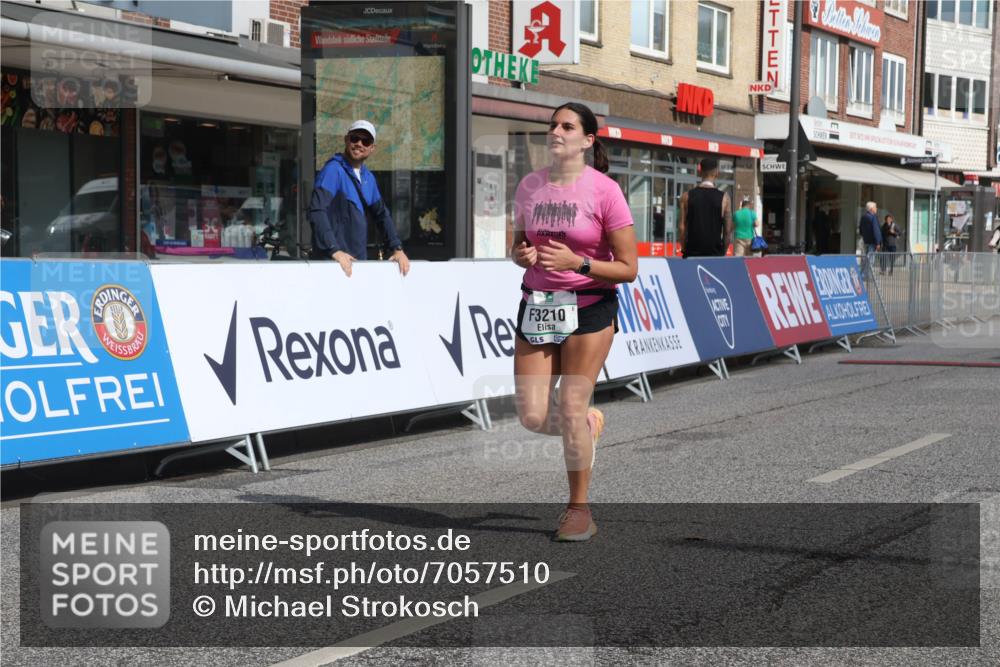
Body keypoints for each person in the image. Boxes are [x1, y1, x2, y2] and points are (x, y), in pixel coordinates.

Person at [511, 102, 638, 542]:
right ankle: (585, 424)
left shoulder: (605, 192)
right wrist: (522, 255)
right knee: (531, 415)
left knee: (569, 405)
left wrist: (578, 263)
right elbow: (517, 248)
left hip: (590, 305)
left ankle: (578, 509)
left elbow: (628, 268)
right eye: (552, 125)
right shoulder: (529, 186)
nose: (556, 131)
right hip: (539, 302)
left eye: (567, 126)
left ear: (587, 140)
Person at [309, 120, 410, 277]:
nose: (359, 144)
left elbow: (382, 214)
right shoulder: (333, 170)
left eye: (366, 141)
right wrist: (334, 250)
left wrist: (397, 248)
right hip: (333, 265)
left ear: (372, 148)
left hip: (357, 264)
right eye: (355, 138)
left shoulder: (368, 177)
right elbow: (317, 211)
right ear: (346, 140)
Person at [678, 158, 733, 257]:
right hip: (715, 254)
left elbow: (682, 227)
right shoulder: (725, 198)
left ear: (700, 172)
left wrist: (684, 249)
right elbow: (727, 231)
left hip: (692, 253)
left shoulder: (686, 196)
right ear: (717, 173)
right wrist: (722, 252)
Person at [858, 201, 882, 277]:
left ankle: (863, 274)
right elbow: (876, 230)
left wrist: (864, 236)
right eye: (875, 207)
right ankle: (867, 276)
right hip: (872, 242)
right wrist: (878, 242)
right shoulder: (873, 217)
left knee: (865, 259)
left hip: (866, 241)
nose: (876, 208)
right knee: (871, 259)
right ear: (871, 209)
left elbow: (860, 229)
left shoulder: (863, 217)